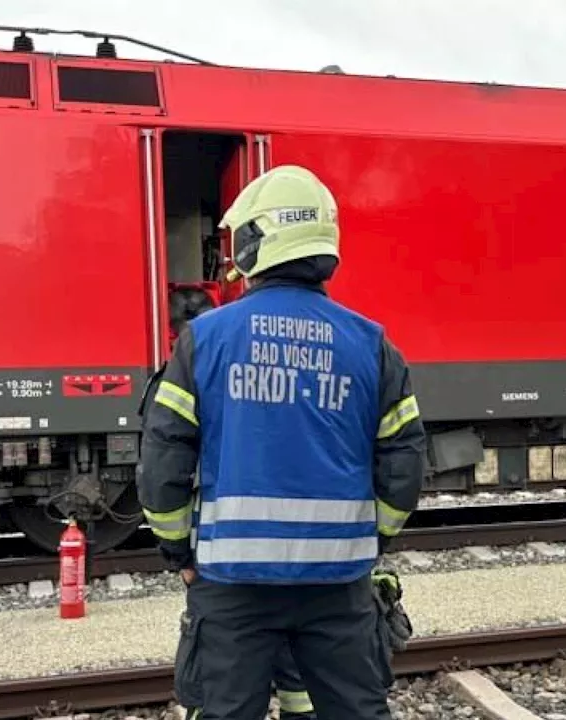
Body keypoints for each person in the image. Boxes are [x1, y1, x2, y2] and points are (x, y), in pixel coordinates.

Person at [137, 165, 427, 720]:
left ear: (254, 242)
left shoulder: (205, 339)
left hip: (231, 584)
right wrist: (373, 541)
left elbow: (162, 466)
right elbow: (404, 465)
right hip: (340, 584)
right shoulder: (372, 344)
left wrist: (179, 552)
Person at [143, 286, 319, 720]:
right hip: (319, 565)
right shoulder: (334, 349)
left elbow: (162, 472)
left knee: (224, 697)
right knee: (305, 688)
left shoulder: (195, 363)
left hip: (227, 566)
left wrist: (178, 553)